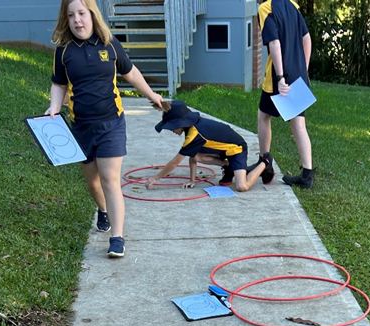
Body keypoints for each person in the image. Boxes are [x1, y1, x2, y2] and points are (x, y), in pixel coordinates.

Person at [47, 0, 164, 258]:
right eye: (71, 16)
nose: (77, 20)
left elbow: (130, 72)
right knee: (93, 182)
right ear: (65, 19)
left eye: (82, 13)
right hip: (81, 127)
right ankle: (103, 210)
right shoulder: (63, 51)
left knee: (111, 179)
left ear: (92, 14)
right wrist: (54, 107)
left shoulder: (109, 43)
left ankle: (117, 237)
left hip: (111, 122)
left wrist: (151, 95)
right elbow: (59, 84)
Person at [147, 100, 274, 193]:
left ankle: (265, 163)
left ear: (181, 123)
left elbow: (175, 163)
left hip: (237, 149)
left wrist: (156, 178)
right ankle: (228, 165)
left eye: (172, 127)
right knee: (196, 156)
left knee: (242, 186)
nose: (172, 131)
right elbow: (192, 157)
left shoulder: (194, 134)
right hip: (222, 150)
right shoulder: (191, 129)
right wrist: (192, 180)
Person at [256, 0, 315, 189]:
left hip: (279, 75)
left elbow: (274, 43)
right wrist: (303, 70)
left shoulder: (266, 8)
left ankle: (265, 163)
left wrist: (280, 77)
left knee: (263, 116)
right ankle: (307, 175)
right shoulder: (292, 5)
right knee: (298, 124)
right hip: (298, 72)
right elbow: (307, 38)